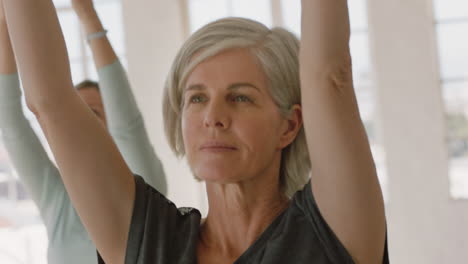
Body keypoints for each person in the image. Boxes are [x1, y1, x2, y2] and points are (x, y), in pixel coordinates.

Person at [3, 0, 390, 263]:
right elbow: (50, 101)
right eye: (197, 98)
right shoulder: (152, 241)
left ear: (289, 126)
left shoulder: (332, 230)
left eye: (240, 98)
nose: (213, 117)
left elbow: (329, 76)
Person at [0, 0, 167, 263]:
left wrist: (88, 17)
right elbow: (11, 125)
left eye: (94, 113)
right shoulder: (57, 197)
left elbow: (127, 128)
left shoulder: (143, 188)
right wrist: (3, 22)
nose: (78, 125)